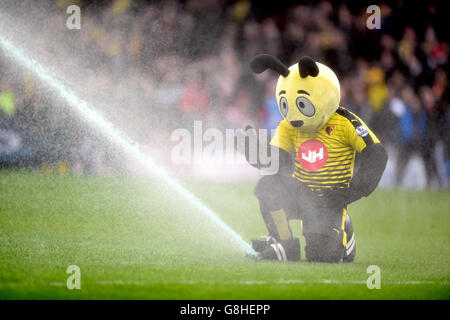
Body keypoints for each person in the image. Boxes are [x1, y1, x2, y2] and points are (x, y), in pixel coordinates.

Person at [241, 54, 387, 262]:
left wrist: (351, 191)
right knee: (269, 186)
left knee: (321, 256)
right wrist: (251, 151)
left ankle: (344, 231)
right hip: (302, 193)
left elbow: (376, 154)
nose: (294, 116)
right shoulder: (288, 124)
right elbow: (276, 162)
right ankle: (284, 243)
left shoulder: (344, 122)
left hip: (331, 199)